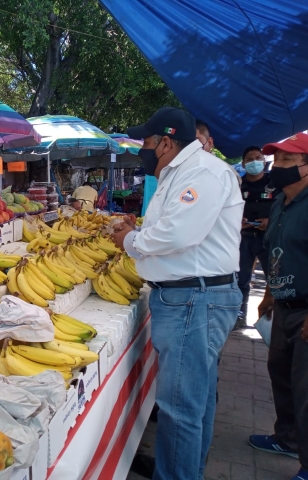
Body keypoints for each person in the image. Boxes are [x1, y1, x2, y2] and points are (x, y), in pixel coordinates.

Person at [111, 107, 243, 480]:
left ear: (166, 142)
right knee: (194, 405)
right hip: (190, 298)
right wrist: (140, 231)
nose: (144, 149)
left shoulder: (202, 171)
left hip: (192, 302)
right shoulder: (180, 172)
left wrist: (130, 240)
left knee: (181, 409)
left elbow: (177, 235)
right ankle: (188, 470)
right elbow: (174, 225)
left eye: (147, 142)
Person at [249, 133, 308, 480]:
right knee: (282, 376)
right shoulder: (279, 203)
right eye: (277, 161)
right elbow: (274, 253)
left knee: (305, 389)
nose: (277, 167)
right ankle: (286, 439)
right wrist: (269, 295)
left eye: (287, 161)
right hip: (284, 306)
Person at [235, 146, 280, 328]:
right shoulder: (238, 184)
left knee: (275, 279)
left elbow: (283, 207)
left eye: (258, 157)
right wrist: (237, 220)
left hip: (268, 237)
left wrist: (270, 221)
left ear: (264, 160)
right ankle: (239, 317)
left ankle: (269, 322)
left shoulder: (275, 183)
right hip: (244, 236)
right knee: (241, 279)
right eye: (250, 159)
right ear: (244, 163)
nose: (255, 161)